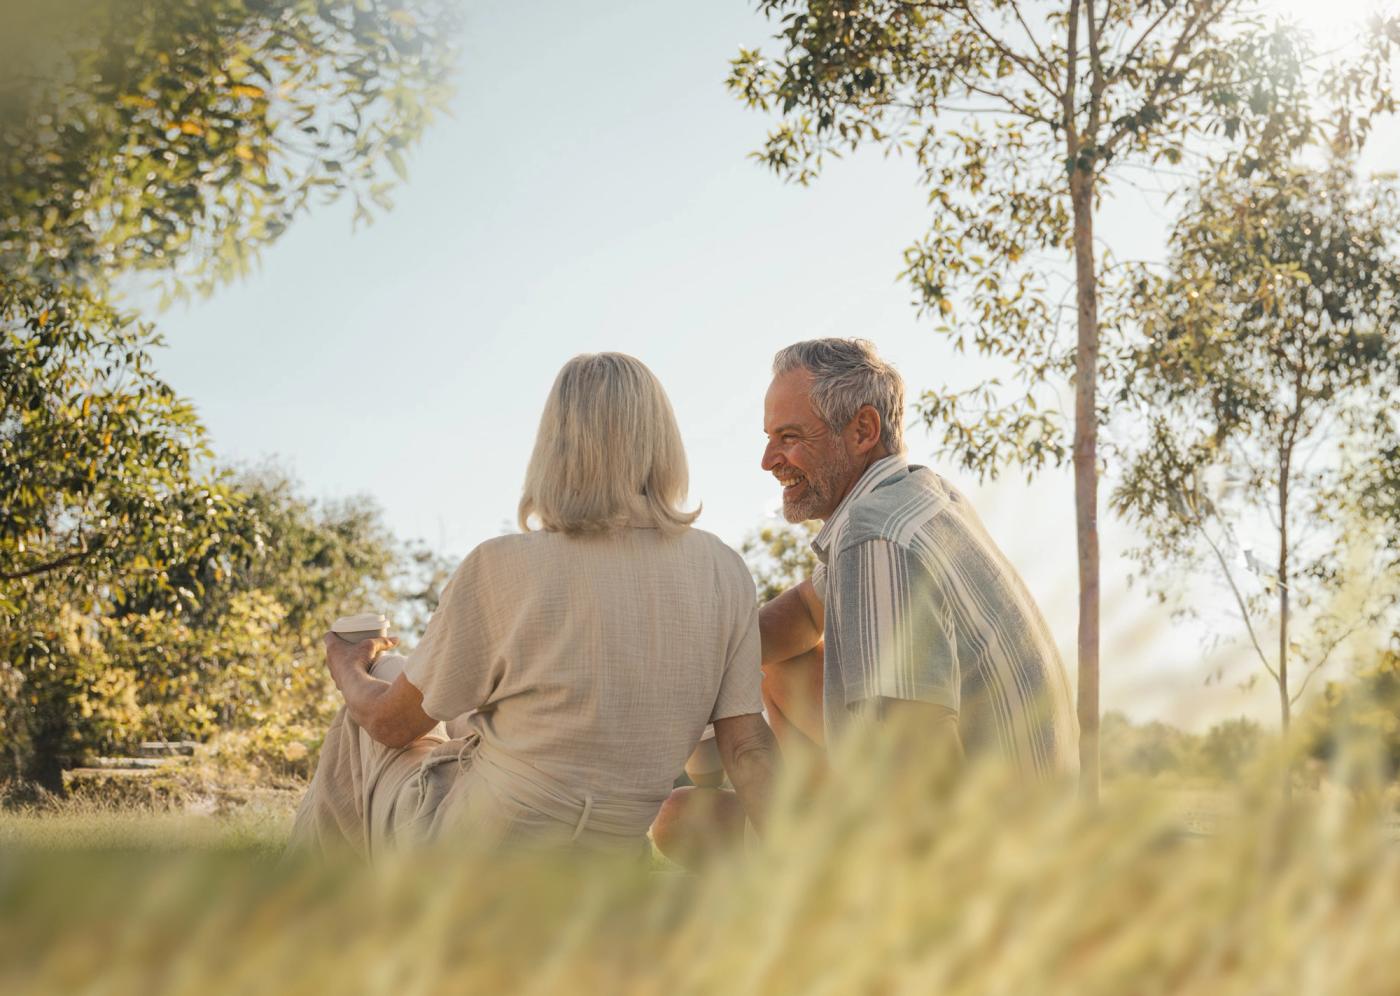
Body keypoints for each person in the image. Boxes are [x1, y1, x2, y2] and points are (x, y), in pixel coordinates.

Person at [288, 352, 777, 860]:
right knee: (409, 683)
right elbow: (746, 747)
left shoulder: (501, 566)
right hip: (607, 857)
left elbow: (391, 725)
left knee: (367, 708)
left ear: (555, 445)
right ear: (664, 443)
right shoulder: (724, 571)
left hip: (475, 854)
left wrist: (347, 669)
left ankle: (305, 902)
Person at [757, 338, 1078, 775]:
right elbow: (803, 612)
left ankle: (804, 840)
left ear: (863, 431)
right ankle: (797, 831)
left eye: (789, 437)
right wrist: (701, 656)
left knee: (686, 819)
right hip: (1038, 811)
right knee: (780, 670)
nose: (767, 460)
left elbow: (922, 764)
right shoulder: (923, 498)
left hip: (990, 834)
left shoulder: (874, 535)